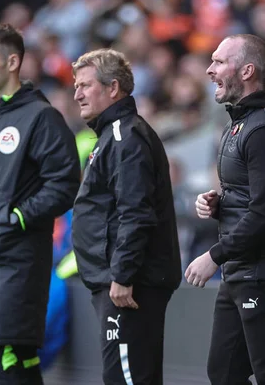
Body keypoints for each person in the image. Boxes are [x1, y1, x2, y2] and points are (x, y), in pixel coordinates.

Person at [0, 23, 80, 385]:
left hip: (18, 259)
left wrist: (18, 218)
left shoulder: (41, 117)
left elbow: (65, 183)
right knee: (19, 357)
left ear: (12, 62)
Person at [185, 34, 265, 385]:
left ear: (247, 71)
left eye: (218, 62)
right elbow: (251, 198)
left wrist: (215, 254)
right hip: (244, 269)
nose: (209, 70)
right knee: (224, 372)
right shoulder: (242, 122)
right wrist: (218, 205)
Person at [71, 48, 182, 385]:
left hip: (128, 285)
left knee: (127, 378)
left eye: (86, 85)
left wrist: (122, 274)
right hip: (120, 280)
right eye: (76, 86)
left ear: (113, 88)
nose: (77, 94)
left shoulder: (125, 136)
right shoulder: (112, 135)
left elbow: (135, 210)